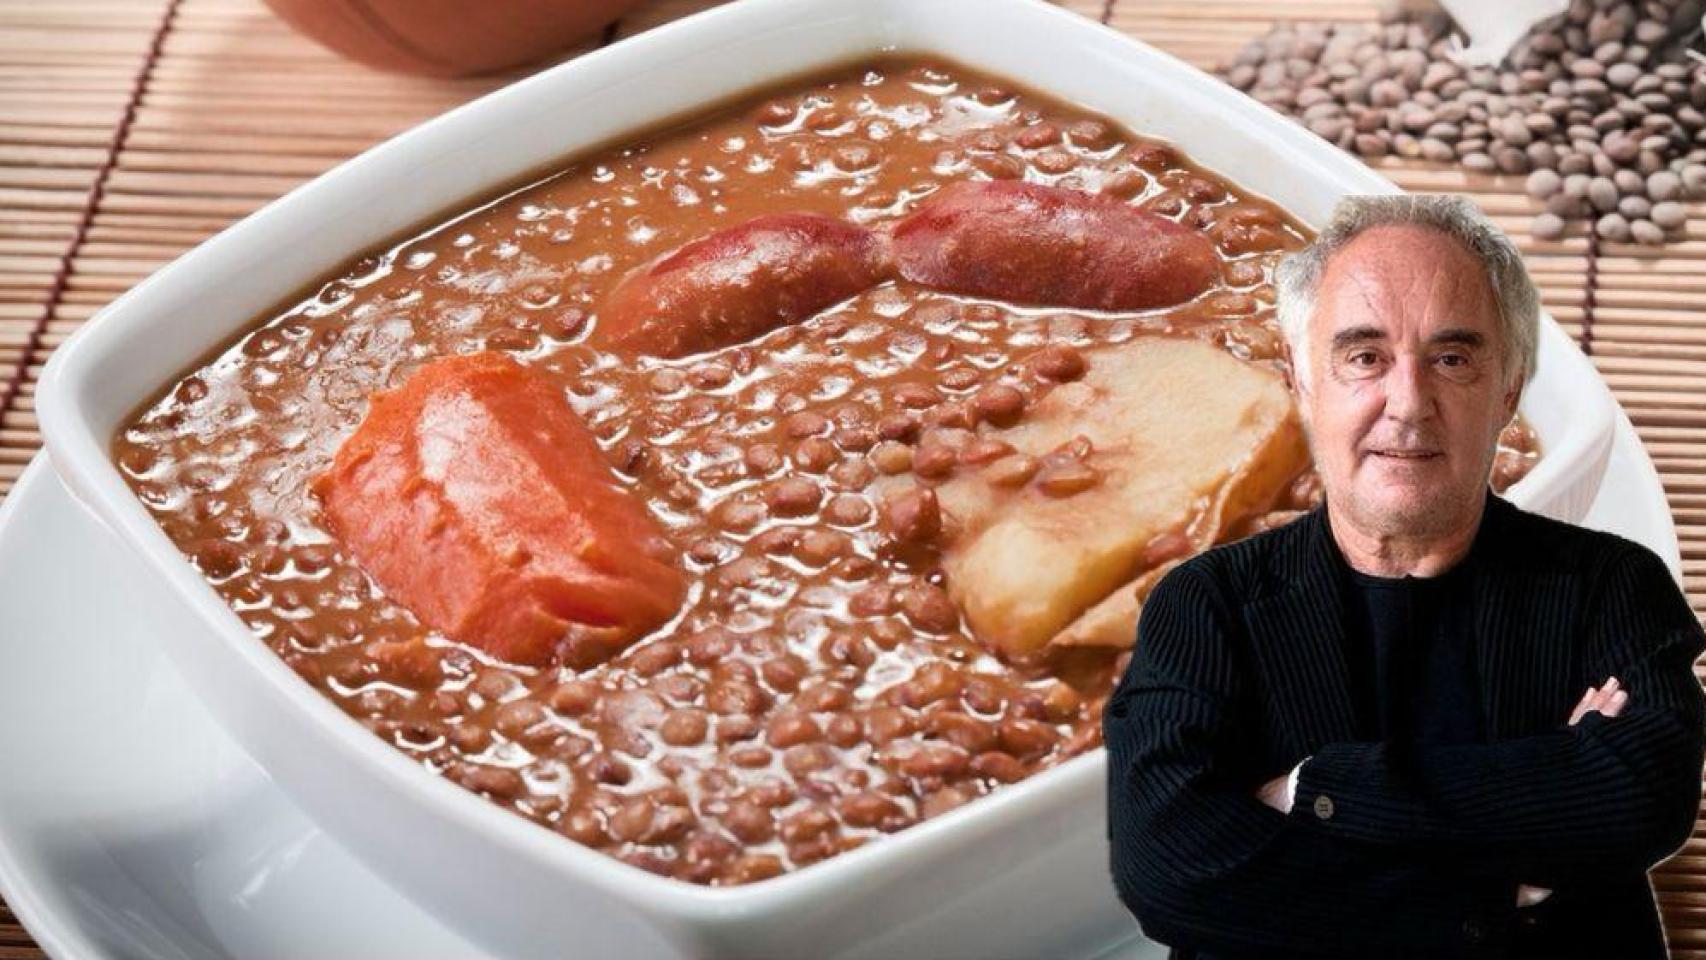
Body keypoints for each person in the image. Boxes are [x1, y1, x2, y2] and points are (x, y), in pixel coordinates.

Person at [1103, 193, 1706, 959]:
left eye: (1452, 360)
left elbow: (1639, 799)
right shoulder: (1208, 603)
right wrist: (1499, 891)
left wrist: (1317, 789)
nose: (1409, 404)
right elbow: (1171, 871)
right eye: (1364, 358)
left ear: (1510, 389)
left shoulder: (1611, 583)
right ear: (1302, 380)